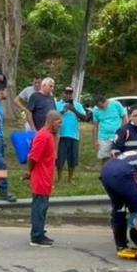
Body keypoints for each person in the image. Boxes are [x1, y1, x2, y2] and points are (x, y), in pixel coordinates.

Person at [27, 110, 62, 247]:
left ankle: (39, 231)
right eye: (59, 123)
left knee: (42, 207)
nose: (60, 126)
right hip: (40, 178)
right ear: (51, 121)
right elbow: (32, 157)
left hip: (45, 177)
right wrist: (30, 172)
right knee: (39, 208)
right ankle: (36, 236)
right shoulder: (43, 137)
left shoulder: (48, 135)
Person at [55, 86, 87, 185]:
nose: (68, 95)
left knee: (72, 159)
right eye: (66, 93)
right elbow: (51, 116)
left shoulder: (77, 105)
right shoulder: (56, 104)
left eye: (70, 93)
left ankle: (70, 179)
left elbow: (85, 117)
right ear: (62, 93)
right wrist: (62, 111)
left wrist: (74, 110)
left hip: (73, 136)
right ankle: (59, 179)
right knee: (60, 159)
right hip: (60, 135)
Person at [90, 95, 128, 166]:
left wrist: (123, 132)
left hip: (117, 136)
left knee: (118, 156)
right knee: (105, 157)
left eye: (103, 106)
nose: (102, 108)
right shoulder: (95, 110)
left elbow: (124, 118)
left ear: (105, 101)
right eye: (99, 107)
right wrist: (95, 141)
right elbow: (95, 126)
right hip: (103, 137)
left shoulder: (116, 104)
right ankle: (104, 175)